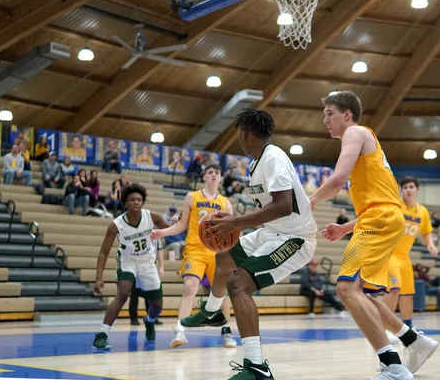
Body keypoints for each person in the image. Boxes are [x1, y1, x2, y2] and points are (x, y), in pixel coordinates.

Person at [171, 109, 317, 379]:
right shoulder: (255, 163)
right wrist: (236, 219)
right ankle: (214, 312)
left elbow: (284, 206)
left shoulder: (273, 158)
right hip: (271, 232)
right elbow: (272, 207)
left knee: (238, 285)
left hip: (294, 239)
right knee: (224, 256)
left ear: (244, 132)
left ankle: (258, 368)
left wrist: (237, 223)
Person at [311, 91, 437, 379]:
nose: (325, 120)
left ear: (347, 114)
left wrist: (311, 201)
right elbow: (380, 201)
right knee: (358, 292)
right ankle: (413, 340)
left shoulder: (354, 133)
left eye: (330, 113)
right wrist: (346, 227)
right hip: (383, 218)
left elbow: (338, 180)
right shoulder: (365, 144)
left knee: (345, 289)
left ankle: (392, 366)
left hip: (380, 219)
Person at [151, 164, 237, 349]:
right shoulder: (192, 197)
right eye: (210, 172)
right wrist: (162, 233)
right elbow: (182, 225)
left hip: (218, 253)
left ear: (220, 178)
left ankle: (227, 332)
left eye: (217, 172)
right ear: (204, 177)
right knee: (190, 287)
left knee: (223, 292)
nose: (213, 175)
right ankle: (180, 330)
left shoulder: (226, 202)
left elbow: (232, 231)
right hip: (195, 249)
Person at [92, 184, 169, 350]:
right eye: (132, 199)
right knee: (123, 293)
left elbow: (170, 229)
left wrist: (177, 225)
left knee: (158, 305)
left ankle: (149, 321)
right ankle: (102, 334)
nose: (136, 202)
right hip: (128, 261)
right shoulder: (116, 224)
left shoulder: (152, 217)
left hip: (148, 262)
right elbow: (104, 252)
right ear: (125, 203)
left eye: (139, 200)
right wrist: (99, 278)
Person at [383, 176, 438, 338]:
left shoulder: (423, 212)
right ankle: (386, 327)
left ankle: (408, 326)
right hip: (390, 253)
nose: (408, 190)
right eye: (405, 187)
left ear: (418, 190)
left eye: (411, 187)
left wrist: (430, 245)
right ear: (402, 191)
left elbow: (426, 232)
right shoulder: (396, 206)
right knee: (393, 289)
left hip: (404, 257)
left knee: (407, 293)